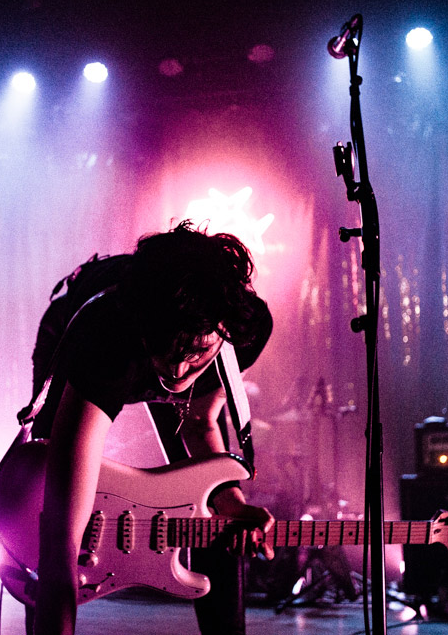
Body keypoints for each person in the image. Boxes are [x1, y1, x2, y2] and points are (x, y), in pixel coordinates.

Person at [25, 221, 275, 635]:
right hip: (91, 338)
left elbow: (197, 420)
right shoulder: (107, 344)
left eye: (195, 351)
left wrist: (230, 501)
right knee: (50, 518)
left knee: (215, 516)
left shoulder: (246, 329)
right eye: (167, 348)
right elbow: (60, 542)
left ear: (224, 332)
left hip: (143, 343)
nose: (177, 371)